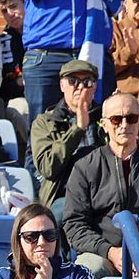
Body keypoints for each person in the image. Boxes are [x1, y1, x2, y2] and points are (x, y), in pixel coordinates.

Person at [62, 91, 139, 279]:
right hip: (102, 256)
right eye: (116, 119)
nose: (124, 125)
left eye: (131, 118)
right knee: (88, 268)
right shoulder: (85, 167)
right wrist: (110, 252)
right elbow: (74, 223)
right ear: (104, 124)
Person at [31, 60, 103, 208]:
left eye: (87, 82)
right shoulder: (45, 122)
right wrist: (78, 129)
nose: (80, 87)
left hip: (105, 193)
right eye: (73, 81)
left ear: (95, 87)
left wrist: (120, 115)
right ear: (62, 85)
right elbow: (47, 168)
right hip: (64, 195)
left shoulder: (108, 118)